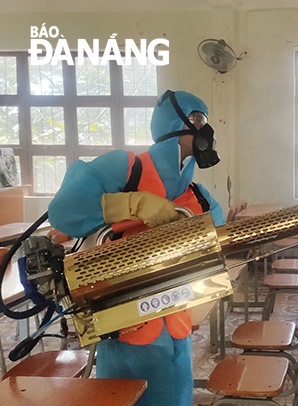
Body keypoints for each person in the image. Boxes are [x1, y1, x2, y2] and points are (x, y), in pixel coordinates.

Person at [48, 90, 225, 406]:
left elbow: (223, 238)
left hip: (177, 321)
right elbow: (64, 209)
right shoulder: (127, 169)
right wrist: (132, 203)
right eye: (197, 119)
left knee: (177, 396)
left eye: (205, 121)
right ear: (174, 123)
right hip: (126, 325)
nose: (204, 130)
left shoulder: (195, 194)